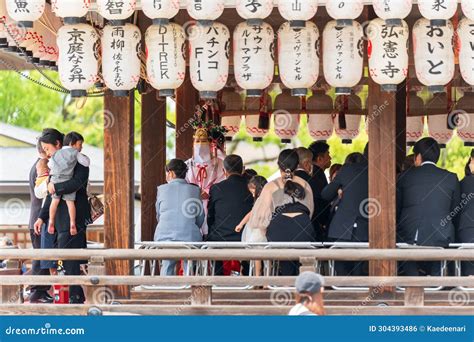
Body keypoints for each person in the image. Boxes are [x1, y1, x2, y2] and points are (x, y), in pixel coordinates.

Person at [34, 128, 91, 304]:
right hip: (58, 220)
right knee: (62, 259)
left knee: (71, 258)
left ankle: (75, 297)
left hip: (74, 217)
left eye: (47, 148)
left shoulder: (79, 161)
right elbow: (49, 195)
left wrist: (57, 188)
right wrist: (41, 217)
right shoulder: (54, 164)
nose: (46, 153)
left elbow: (77, 182)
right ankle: (71, 295)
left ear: (58, 145)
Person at [397, 137, 461, 276]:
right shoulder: (450, 177)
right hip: (441, 235)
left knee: (408, 262)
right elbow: (455, 211)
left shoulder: (405, 177)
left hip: (410, 234)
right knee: (437, 268)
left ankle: (413, 282)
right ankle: (436, 284)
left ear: (418, 157)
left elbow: (397, 208)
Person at [248, 149, 315, 276]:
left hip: (279, 230)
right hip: (304, 229)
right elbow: (310, 211)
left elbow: (262, 217)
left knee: (285, 262)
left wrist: (265, 230)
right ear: (297, 165)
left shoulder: (270, 186)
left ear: (279, 165)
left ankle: (285, 284)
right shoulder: (305, 184)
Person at [321, 144, 369, 276]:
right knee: (360, 270)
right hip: (366, 229)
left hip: (341, 229)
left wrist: (340, 191)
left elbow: (326, 194)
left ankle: (341, 290)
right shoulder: (374, 171)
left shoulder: (346, 170)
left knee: (340, 268)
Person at [154, 159, 205, 276]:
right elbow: (200, 217)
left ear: (170, 173)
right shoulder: (195, 190)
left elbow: (159, 215)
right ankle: (188, 285)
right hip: (189, 237)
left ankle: (166, 288)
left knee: (167, 263)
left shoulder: (161, 189)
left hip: (164, 237)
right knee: (190, 262)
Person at [207, 155, 254, 275]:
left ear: (224, 171)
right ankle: (248, 275)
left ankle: (217, 277)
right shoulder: (251, 187)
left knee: (210, 240)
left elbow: (210, 216)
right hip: (246, 236)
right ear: (243, 169)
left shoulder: (216, 188)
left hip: (220, 236)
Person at [46, 132, 90, 236]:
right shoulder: (75, 153)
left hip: (56, 180)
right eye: (80, 144)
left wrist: (51, 180)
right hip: (67, 180)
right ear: (72, 143)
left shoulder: (56, 153)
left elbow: (50, 164)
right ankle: (72, 223)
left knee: (54, 202)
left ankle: (51, 221)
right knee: (70, 203)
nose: (81, 147)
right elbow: (86, 162)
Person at [186, 127, 226, 238]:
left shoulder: (220, 164)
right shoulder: (187, 165)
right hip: (192, 204)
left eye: (203, 141)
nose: (200, 144)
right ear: (193, 143)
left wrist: (209, 192)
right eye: (197, 141)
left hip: (212, 203)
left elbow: (222, 181)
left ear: (210, 143)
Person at [27, 140, 53, 304]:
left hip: (37, 218)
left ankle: (40, 291)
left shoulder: (39, 164)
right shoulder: (41, 165)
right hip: (39, 218)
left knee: (41, 255)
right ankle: (38, 292)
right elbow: (42, 193)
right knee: (41, 256)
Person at [236, 175, 268, 276]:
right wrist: (241, 224)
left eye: (253, 191)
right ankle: (263, 281)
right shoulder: (264, 198)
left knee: (257, 256)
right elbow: (251, 213)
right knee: (263, 257)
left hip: (259, 229)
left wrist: (241, 224)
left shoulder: (263, 199)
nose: (252, 194)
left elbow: (251, 213)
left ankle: (258, 279)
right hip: (259, 228)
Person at [308, 141, 332, 241]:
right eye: (328, 154)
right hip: (317, 222)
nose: (330, 158)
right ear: (319, 158)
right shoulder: (317, 174)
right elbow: (322, 199)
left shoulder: (313, 173)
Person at [294, 147, 319, 240]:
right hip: (310, 227)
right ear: (306, 164)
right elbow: (319, 205)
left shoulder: (284, 181)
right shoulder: (313, 181)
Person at [457, 150, 474, 276]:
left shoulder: (464, 183)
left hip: (468, 229)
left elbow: (455, 210)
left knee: (469, 275)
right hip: (468, 228)